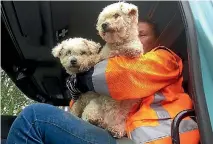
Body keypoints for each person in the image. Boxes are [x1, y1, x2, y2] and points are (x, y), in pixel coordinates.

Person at [6, 19, 200, 144]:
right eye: (131, 34)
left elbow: (121, 78)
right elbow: (85, 106)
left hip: (161, 140)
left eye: (142, 34)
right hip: (125, 136)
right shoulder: (119, 63)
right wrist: (77, 94)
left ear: (157, 40)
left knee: (35, 118)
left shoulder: (165, 58)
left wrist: (83, 80)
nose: (134, 38)